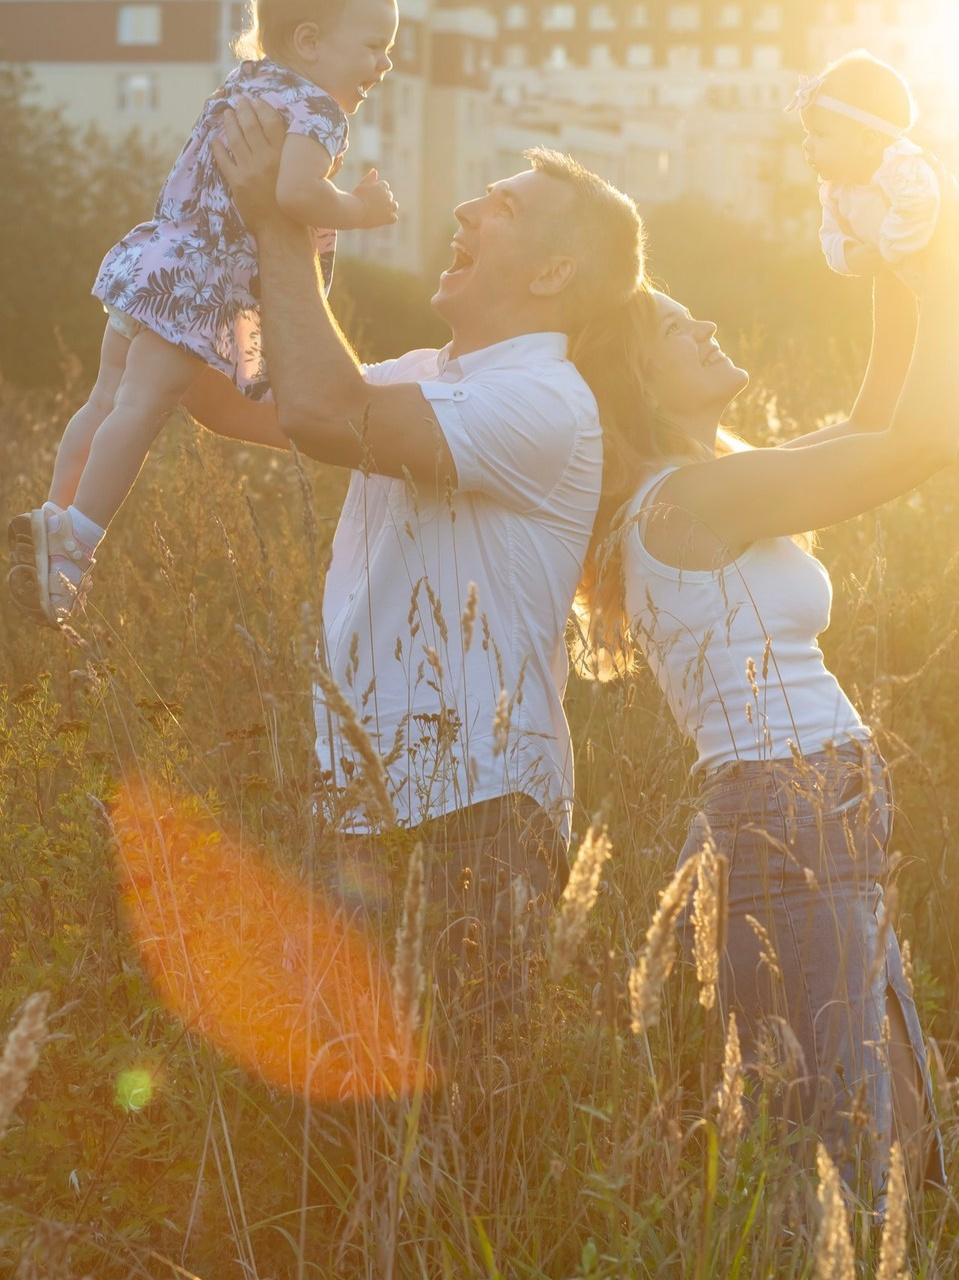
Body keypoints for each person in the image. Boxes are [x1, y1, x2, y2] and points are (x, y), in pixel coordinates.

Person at [183, 97, 646, 1008]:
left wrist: (282, 222)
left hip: (476, 815)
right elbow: (226, 397)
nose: (467, 214)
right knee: (352, 1118)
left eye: (502, 208)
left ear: (555, 271)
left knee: (457, 1117)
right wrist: (232, 221)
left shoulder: (547, 400)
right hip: (358, 807)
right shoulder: (425, 374)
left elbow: (327, 413)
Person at [571, 202, 959, 1217]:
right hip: (786, 808)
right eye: (674, 329)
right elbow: (915, 438)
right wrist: (951, 265)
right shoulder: (689, 495)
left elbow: (866, 423)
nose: (705, 328)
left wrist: (893, 261)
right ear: (638, 382)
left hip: (822, 799)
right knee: (845, 1136)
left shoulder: (707, 485)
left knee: (895, 1114)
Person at [7, 0, 400, 627]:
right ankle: (77, 544)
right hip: (204, 284)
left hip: (159, 257)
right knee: (142, 408)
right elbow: (295, 193)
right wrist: (360, 208)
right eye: (375, 45)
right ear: (309, 40)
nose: (385, 63)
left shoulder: (249, 82)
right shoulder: (319, 111)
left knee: (107, 398)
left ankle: (52, 521)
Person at [790, 49, 959, 467]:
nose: (808, 146)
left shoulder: (903, 165)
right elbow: (829, 237)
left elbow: (919, 205)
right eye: (808, 134)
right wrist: (850, 255)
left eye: (821, 135)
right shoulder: (835, 189)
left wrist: (886, 249)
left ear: (867, 140)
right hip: (935, 288)